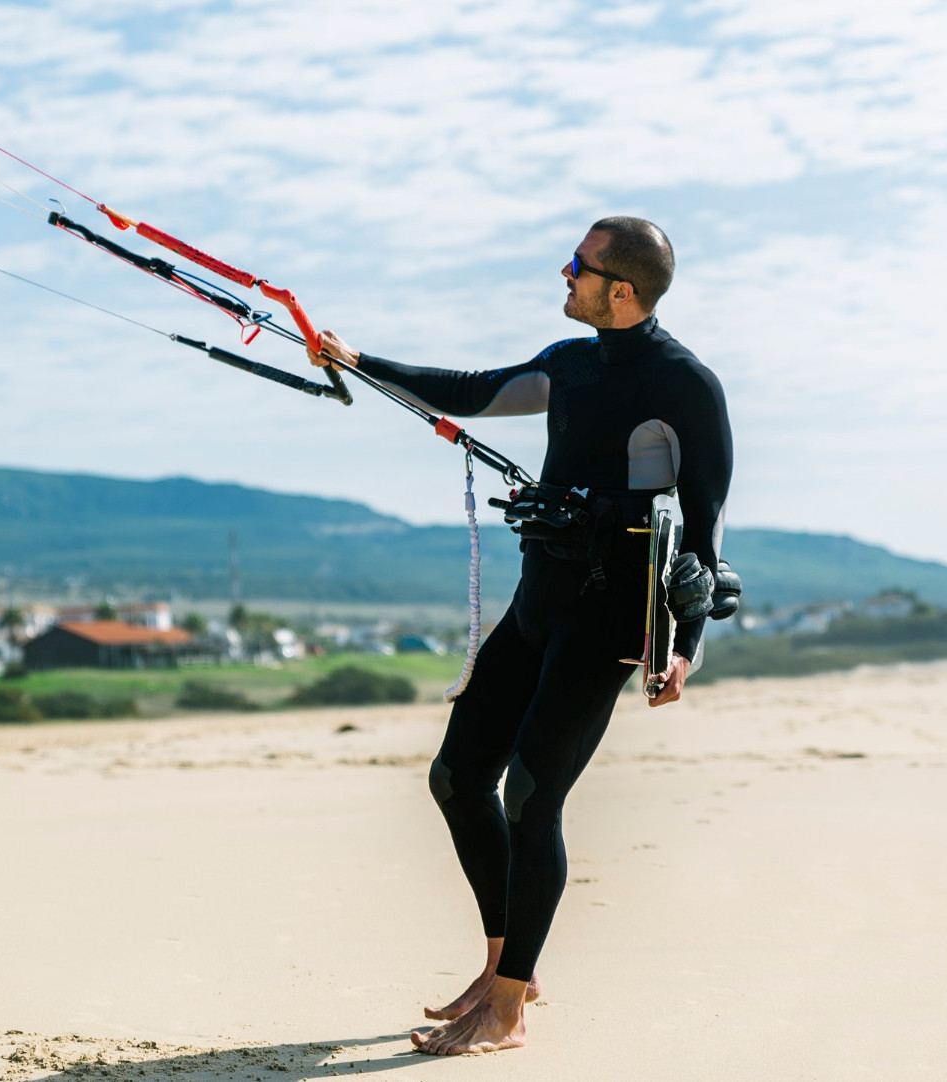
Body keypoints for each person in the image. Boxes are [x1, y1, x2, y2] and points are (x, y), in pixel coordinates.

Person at [308, 217, 733, 1055]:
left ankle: (506, 1011)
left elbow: (704, 533)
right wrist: (357, 362)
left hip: (609, 618)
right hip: (538, 600)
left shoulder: (683, 383)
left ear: (620, 289)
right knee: (458, 778)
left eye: (578, 265)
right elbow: (472, 391)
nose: (563, 274)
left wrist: (685, 644)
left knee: (531, 797)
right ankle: (508, 967)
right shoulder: (569, 363)